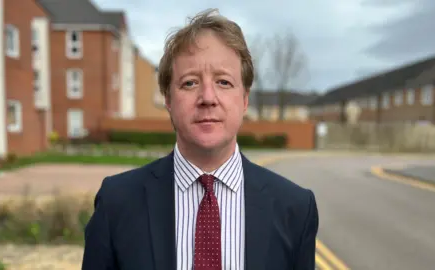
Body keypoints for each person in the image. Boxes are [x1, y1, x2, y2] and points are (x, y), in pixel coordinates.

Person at [82, 8, 318, 270]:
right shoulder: (117, 203)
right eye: (190, 83)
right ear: (168, 100)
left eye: (224, 82)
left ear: (245, 99)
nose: (207, 97)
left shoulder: (295, 208)